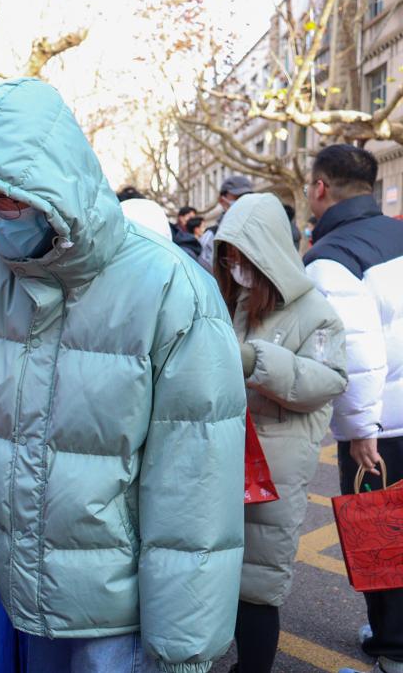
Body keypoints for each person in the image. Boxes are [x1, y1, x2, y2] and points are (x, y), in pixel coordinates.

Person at [0, 78, 246, 672]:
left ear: (55, 185)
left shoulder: (171, 289)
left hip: (125, 611)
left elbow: (195, 494)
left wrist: (181, 651)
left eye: (5, 200)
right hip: (21, 589)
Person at [213, 193, 347, 673]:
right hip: (218, 457)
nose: (235, 267)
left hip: (273, 468)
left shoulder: (316, 312)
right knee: (216, 574)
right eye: (228, 256)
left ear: (268, 252)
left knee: (258, 583)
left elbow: (328, 380)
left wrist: (257, 361)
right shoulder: (228, 299)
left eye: (243, 256)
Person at [301, 144, 403, 673]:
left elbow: (356, 352)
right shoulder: (396, 234)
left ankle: (393, 651)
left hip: (383, 424)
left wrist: (362, 428)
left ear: (321, 188)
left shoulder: (332, 257)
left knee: (381, 537)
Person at [200, 175, 253, 271]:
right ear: (222, 200)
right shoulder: (212, 236)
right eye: (238, 197)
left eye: (247, 197)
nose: (243, 202)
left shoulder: (258, 232)